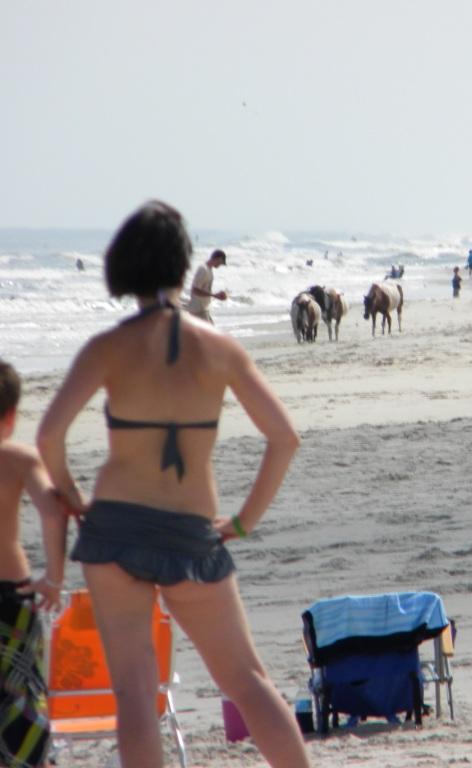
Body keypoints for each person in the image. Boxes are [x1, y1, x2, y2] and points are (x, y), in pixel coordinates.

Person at [36, 201, 310, 768]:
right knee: (247, 681)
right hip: (191, 533)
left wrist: (76, 498)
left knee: (135, 694)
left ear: (124, 265)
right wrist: (243, 521)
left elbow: (48, 437)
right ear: (183, 267)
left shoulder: (107, 347)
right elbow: (285, 438)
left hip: (113, 533)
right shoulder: (221, 350)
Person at [1, 360, 67, 768]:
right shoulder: (19, 458)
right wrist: (54, 578)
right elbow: (54, 513)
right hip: (11, 594)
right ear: (11, 414)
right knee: (22, 699)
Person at [186, 248, 227, 323]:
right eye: (221, 262)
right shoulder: (203, 269)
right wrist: (214, 295)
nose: (220, 265)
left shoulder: (209, 269)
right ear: (218, 259)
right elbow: (195, 290)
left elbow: (204, 289)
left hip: (203, 308)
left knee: (211, 328)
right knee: (210, 329)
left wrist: (216, 295)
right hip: (198, 309)